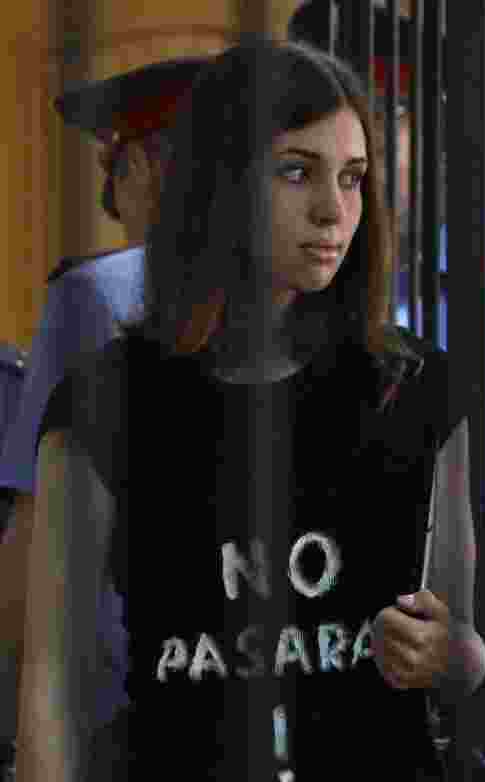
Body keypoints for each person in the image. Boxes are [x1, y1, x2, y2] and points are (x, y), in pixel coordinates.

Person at [17, 39, 485, 782]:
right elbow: (52, 691)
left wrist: (455, 653)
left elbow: (458, 648)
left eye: (355, 178)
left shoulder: (419, 389)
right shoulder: (102, 403)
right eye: (296, 171)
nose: (335, 210)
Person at [0, 57, 206, 775]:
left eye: (113, 166)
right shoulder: (298, 291)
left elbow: (32, 554)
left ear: (146, 164)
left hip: (118, 712)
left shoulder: (94, 296)